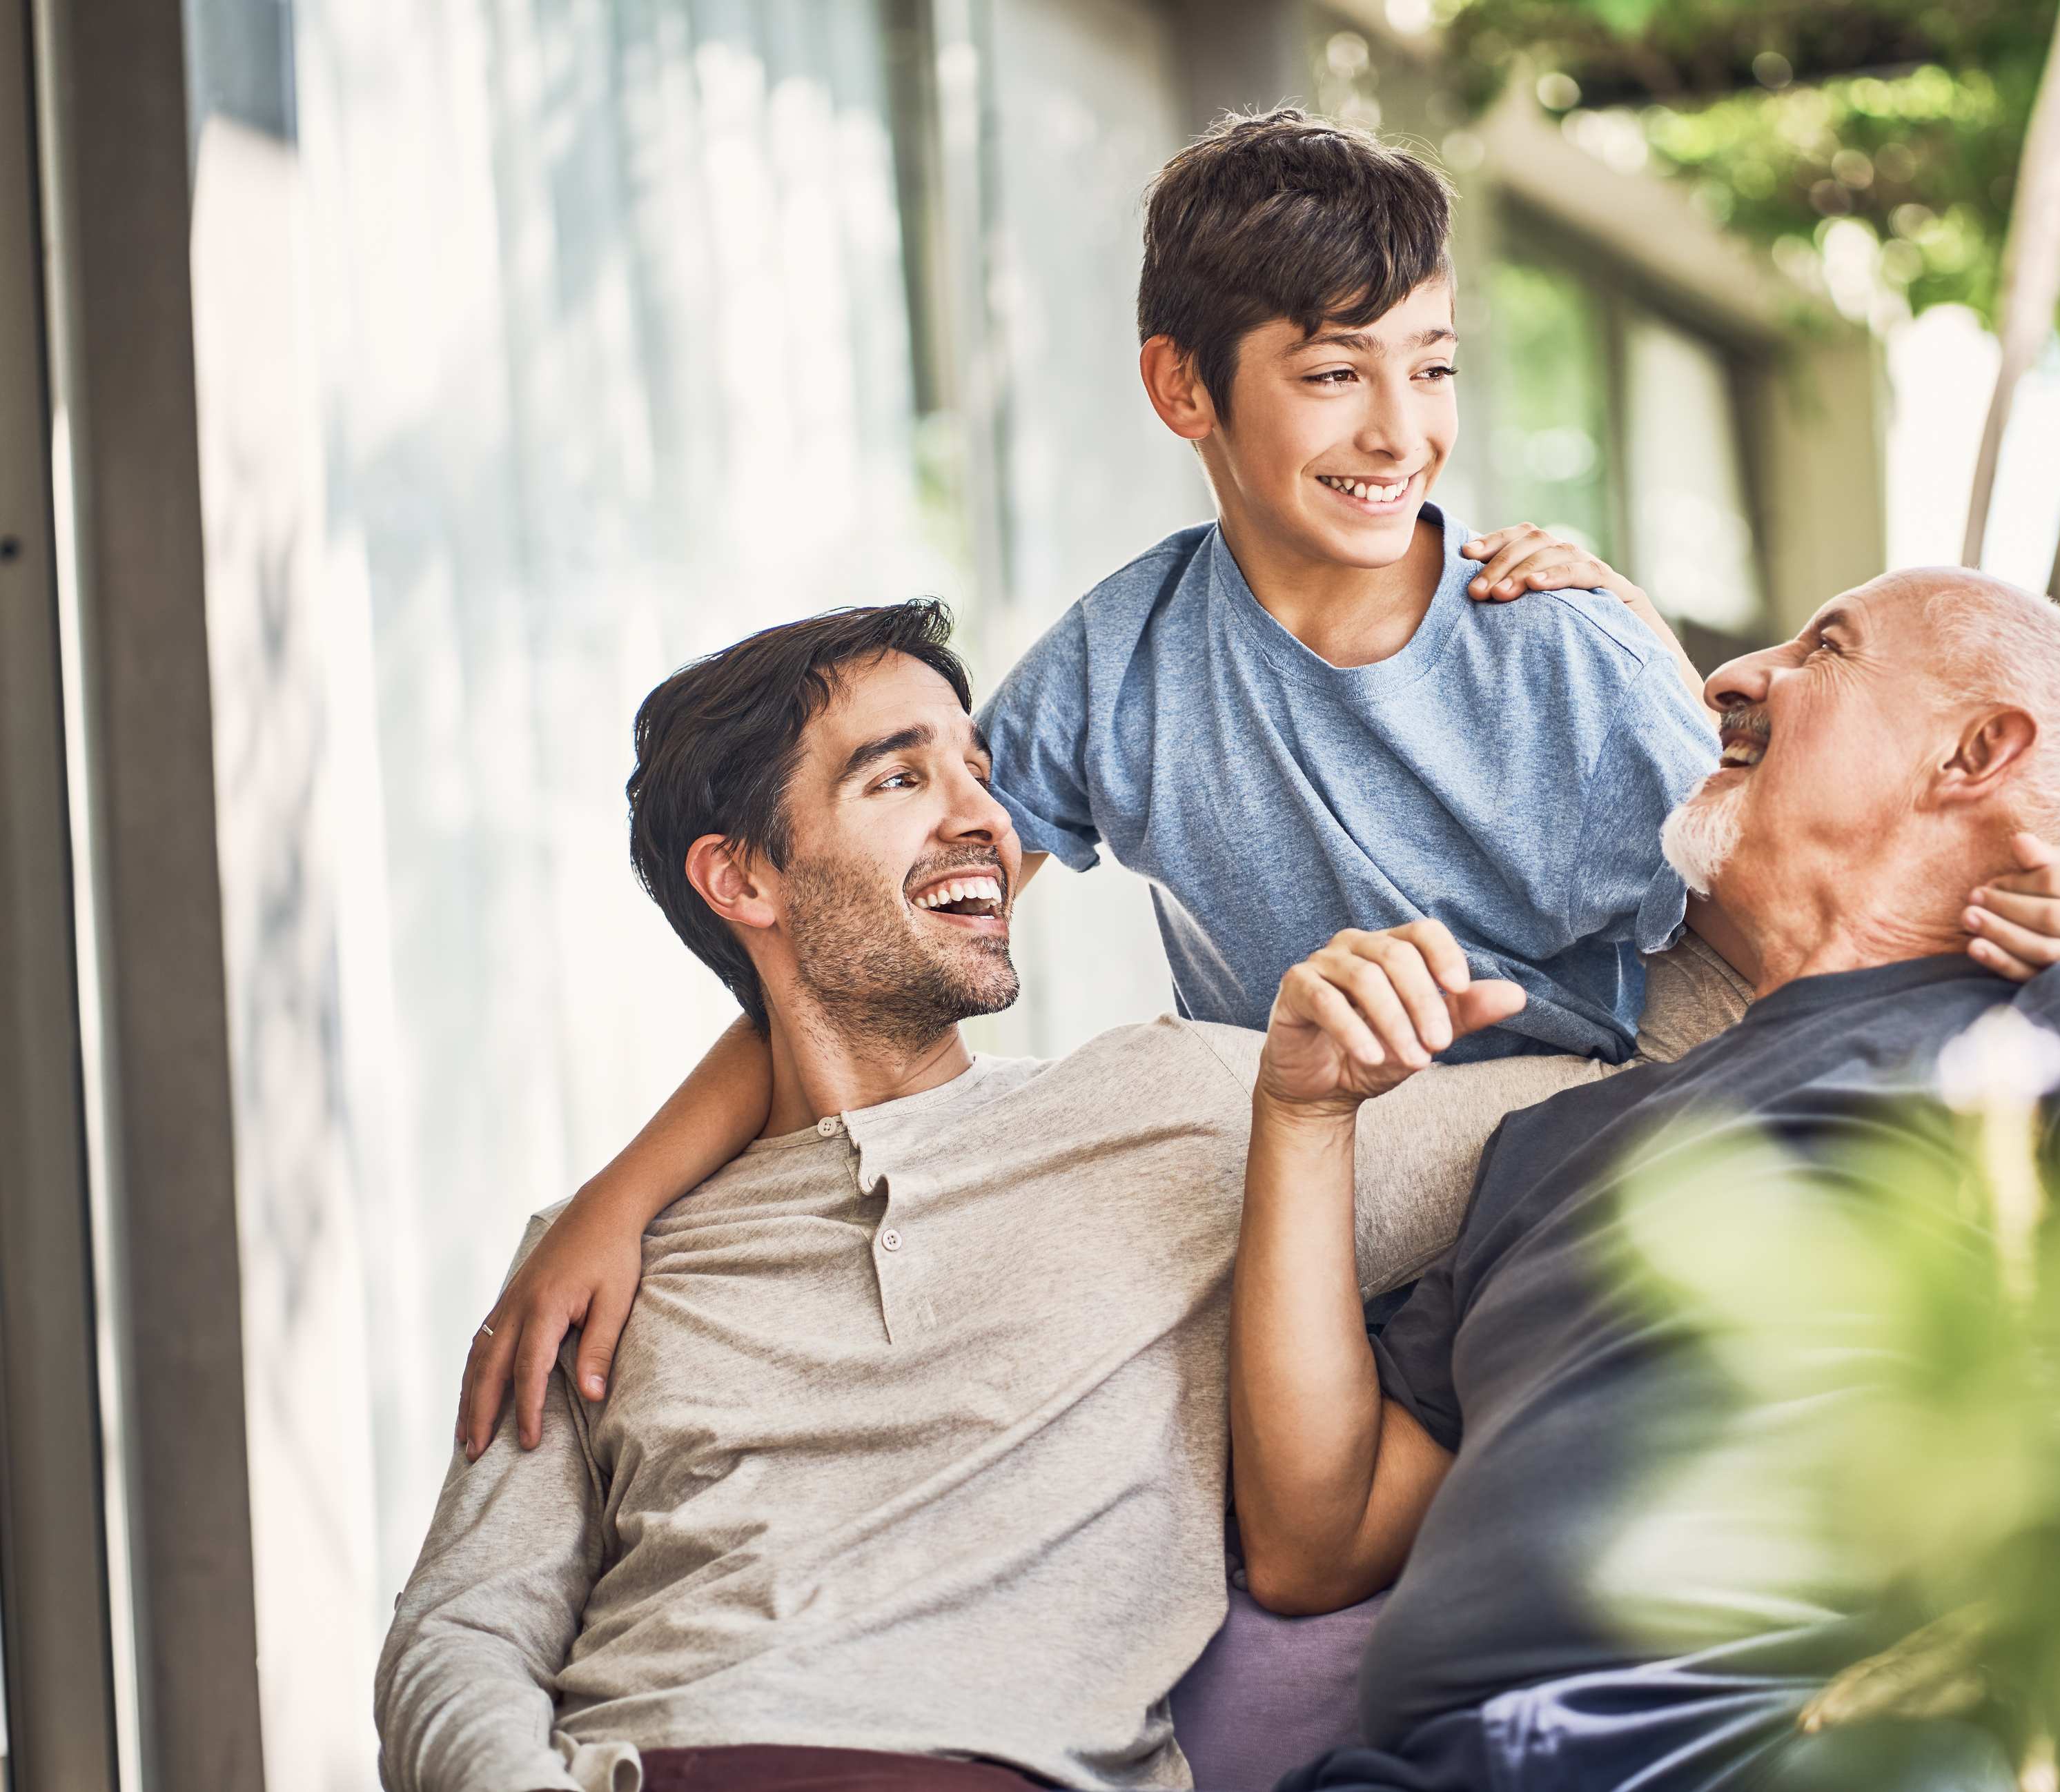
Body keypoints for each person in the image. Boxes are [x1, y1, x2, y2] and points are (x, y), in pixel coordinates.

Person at [452, 109, 2060, 1460]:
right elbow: (867, 967)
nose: (1399, 427)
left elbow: (1808, 922)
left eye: (1437, 365)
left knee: (1168, 1117)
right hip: (1321, 1171)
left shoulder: (1554, 649)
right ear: (1186, 389)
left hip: (1597, 1131)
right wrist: (620, 1201)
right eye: (1335, 372)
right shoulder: (1124, 667)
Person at [375, 604, 1752, 1792]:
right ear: (742, 878)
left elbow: (1656, 1080)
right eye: (897, 778)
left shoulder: (1192, 1109)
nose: (983, 813)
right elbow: (462, 1631)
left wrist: (1675, 708)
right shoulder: (597, 1262)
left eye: (977, 768)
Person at [1226, 568, 2060, 1791]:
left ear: (1975, 751)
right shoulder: (1552, 1138)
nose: (1730, 681)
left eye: (1822, 649)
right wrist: (1303, 1113)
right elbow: (1319, 1543)